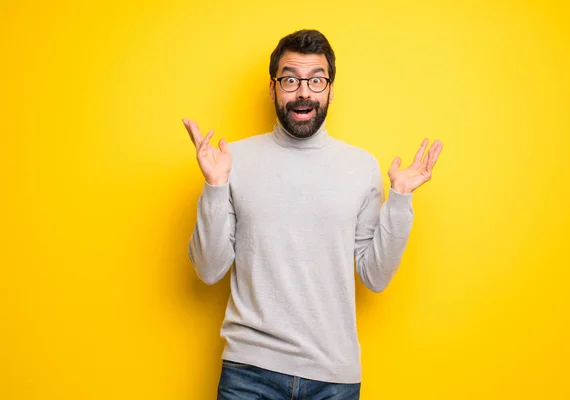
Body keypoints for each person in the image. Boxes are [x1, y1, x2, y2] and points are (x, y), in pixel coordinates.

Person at [182, 29, 443, 400]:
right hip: (249, 372)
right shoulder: (230, 161)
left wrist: (399, 199)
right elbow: (209, 271)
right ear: (273, 90)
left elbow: (375, 276)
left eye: (316, 80)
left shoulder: (361, 167)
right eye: (291, 79)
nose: (303, 91)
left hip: (334, 378)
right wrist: (215, 186)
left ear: (330, 90)